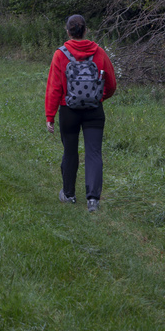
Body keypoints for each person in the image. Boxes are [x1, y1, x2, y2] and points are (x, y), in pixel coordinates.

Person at [45, 14, 117, 212]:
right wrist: (99, 97)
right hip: (94, 110)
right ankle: (93, 200)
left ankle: (68, 195)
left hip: (68, 110)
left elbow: (54, 88)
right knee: (93, 153)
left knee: (70, 151)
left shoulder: (60, 54)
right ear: (85, 30)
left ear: (68, 31)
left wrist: (50, 116)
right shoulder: (99, 52)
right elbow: (111, 84)